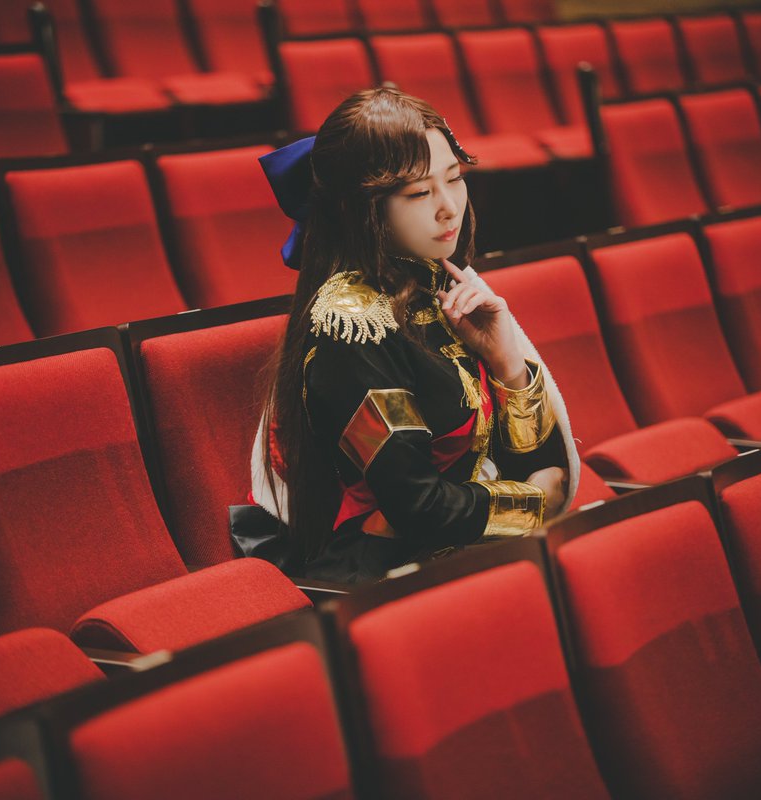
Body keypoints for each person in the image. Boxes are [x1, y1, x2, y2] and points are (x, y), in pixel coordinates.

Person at [246, 87, 581, 583]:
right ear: (363, 208)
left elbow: (537, 466)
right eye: (420, 193)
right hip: (385, 574)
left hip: (466, 546)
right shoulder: (353, 325)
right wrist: (534, 506)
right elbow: (418, 506)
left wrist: (507, 363)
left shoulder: (441, 287)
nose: (449, 208)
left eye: (455, 179)